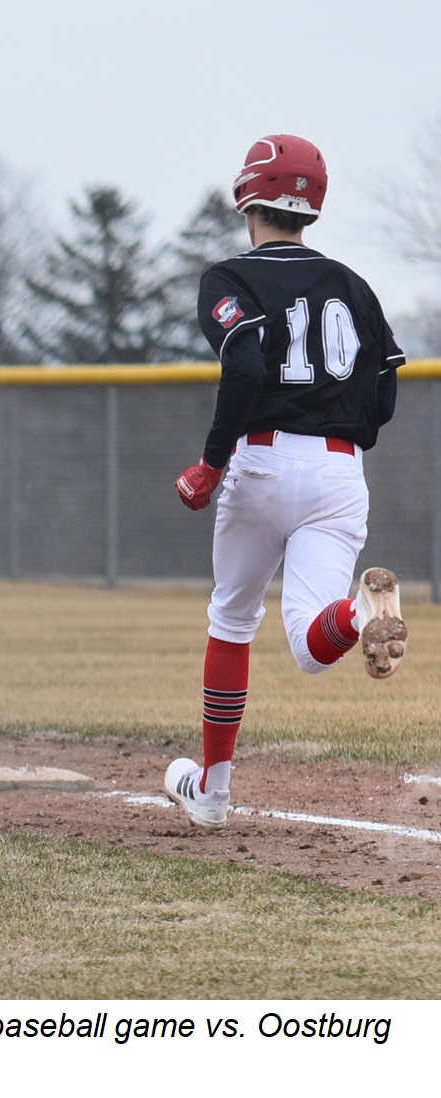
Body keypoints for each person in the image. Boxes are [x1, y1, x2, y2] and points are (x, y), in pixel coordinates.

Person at [168, 134, 408, 828]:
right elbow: (385, 389)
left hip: (263, 460)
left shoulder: (228, 278)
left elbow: (243, 366)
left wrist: (212, 463)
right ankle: (358, 615)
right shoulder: (352, 285)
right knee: (310, 647)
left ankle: (211, 794)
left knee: (231, 619)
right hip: (338, 467)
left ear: (248, 195)